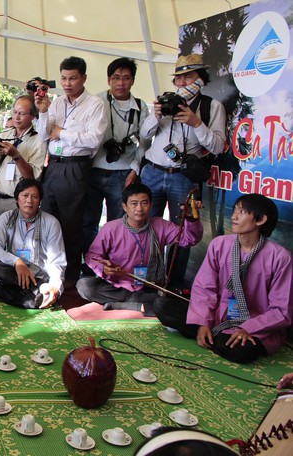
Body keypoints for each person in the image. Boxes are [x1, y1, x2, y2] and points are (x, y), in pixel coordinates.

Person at [156, 194, 292, 364]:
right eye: (234, 211)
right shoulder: (219, 244)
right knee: (162, 305)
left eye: (241, 212)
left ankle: (218, 338)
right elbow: (205, 288)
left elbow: (281, 310)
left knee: (241, 352)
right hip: (218, 316)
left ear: (260, 220)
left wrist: (247, 328)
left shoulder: (280, 257)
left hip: (254, 324)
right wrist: (203, 322)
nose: (234, 217)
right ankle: (214, 335)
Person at [140, 54, 227, 288]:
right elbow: (144, 135)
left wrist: (195, 122)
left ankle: (172, 285)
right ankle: (146, 278)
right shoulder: (165, 102)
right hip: (153, 173)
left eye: (189, 76)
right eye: (179, 78)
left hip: (184, 178)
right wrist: (156, 115)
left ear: (201, 78)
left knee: (183, 234)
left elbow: (218, 146)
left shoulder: (211, 107)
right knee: (145, 226)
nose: (183, 82)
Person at [35, 56, 108, 285]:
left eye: (73, 78)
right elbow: (43, 135)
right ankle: (47, 271)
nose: (67, 83)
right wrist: (44, 112)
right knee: (46, 219)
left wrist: (62, 133)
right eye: (64, 78)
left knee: (71, 224)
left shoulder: (95, 104)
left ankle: (70, 278)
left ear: (83, 78)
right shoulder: (56, 102)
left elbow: (94, 139)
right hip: (53, 165)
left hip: (76, 167)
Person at [77, 182, 202, 315]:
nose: (139, 209)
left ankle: (122, 305)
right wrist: (103, 268)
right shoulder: (111, 228)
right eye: (134, 203)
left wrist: (190, 218)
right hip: (118, 286)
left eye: (144, 203)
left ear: (151, 205)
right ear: (124, 206)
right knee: (84, 285)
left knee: (175, 301)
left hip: (149, 286)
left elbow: (189, 239)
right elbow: (92, 256)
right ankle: (140, 305)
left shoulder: (160, 225)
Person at [83, 58, 150, 254]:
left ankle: (114, 263)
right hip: (93, 171)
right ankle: (90, 263)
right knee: (88, 222)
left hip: (123, 174)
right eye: (116, 78)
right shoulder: (96, 101)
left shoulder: (140, 107)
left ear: (133, 81)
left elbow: (145, 142)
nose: (121, 83)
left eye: (126, 78)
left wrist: (134, 170)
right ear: (108, 80)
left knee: (118, 224)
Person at [0, 179, 66, 309]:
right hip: (15, 272)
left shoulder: (51, 223)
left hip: (39, 275)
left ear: (40, 200)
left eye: (34, 196)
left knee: (31, 302)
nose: (29, 200)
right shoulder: (6, 217)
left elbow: (56, 260)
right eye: (25, 195)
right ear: (16, 198)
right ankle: (36, 290)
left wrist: (55, 287)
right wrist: (16, 262)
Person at [0, 95, 45, 244]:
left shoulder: (38, 140)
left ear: (33, 116)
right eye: (15, 112)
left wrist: (16, 156)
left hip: (17, 202)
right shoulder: (6, 133)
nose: (17, 117)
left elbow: (32, 178)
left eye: (21, 113)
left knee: (14, 244)